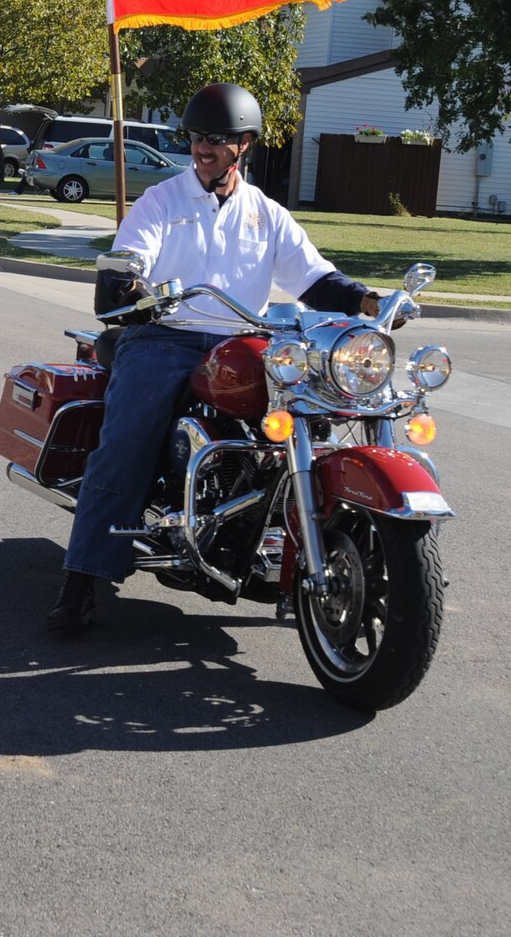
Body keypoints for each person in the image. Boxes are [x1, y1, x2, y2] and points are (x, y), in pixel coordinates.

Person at [47, 83, 383, 634]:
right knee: (127, 442)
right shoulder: (162, 201)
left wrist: (368, 300)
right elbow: (131, 253)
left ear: (244, 144)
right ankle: (83, 577)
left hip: (243, 343)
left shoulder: (266, 213)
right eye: (197, 137)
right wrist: (127, 280)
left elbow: (314, 276)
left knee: (305, 416)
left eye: (217, 139)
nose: (203, 148)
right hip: (164, 336)